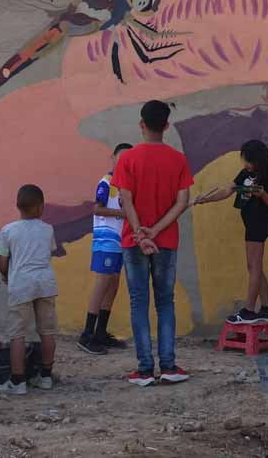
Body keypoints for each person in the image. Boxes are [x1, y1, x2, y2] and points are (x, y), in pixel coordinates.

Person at [113, 100, 193, 387]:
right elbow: (182, 203)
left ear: (141, 124)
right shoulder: (178, 159)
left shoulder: (127, 159)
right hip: (166, 240)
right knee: (165, 302)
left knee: (139, 302)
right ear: (167, 125)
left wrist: (139, 233)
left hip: (132, 240)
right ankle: (168, 365)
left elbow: (126, 199)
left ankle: (145, 369)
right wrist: (155, 232)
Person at [191, 139, 268, 325]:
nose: (245, 164)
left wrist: (262, 194)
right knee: (255, 267)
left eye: (249, 161)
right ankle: (266, 309)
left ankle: (249, 310)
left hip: (259, 223)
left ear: (258, 160)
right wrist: (206, 199)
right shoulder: (245, 173)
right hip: (250, 223)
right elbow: (226, 191)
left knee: (253, 267)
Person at [0, 185, 59, 396]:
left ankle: (17, 381)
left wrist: (6, 275)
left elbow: (3, 263)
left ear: (17, 206)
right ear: (41, 207)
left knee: (17, 334)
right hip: (45, 283)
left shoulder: (8, 230)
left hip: (20, 284)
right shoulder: (48, 229)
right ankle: (46, 377)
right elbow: (48, 252)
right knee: (47, 331)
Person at [79, 143, 133, 355]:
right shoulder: (106, 182)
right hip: (106, 240)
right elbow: (97, 208)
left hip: (120, 241)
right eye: (121, 157)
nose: (124, 162)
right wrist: (122, 214)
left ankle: (101, 333)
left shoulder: (128, 185)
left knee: (113, 284)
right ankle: (87, 335)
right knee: (102, 284)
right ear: (113, 158)